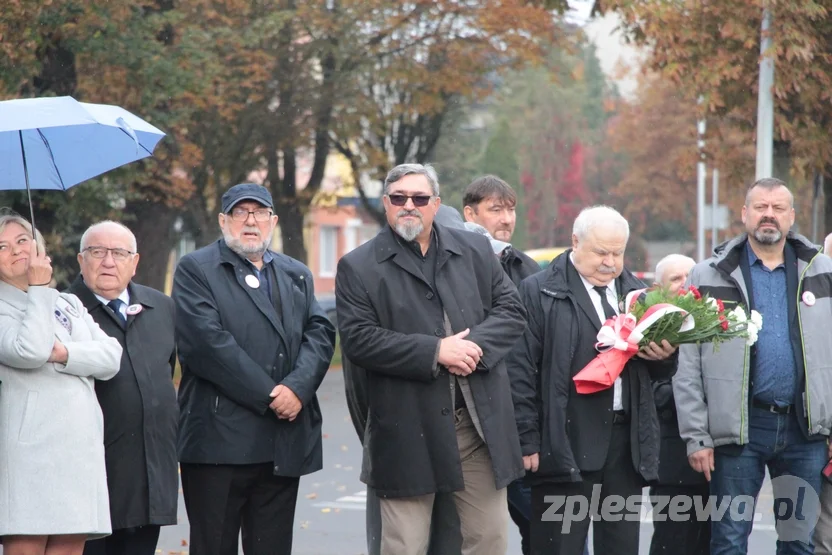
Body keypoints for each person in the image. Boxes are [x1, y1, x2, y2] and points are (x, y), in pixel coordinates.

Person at [335, 163, 527, 555]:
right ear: (386, 204)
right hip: (407, 430)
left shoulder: (474, 250)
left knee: (489, 541)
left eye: (420, 198)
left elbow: (511, 311)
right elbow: (358, 340)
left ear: (436, 204)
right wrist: (436, 351)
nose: (410, 205)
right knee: (404, 547)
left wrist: (471, 349)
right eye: (399, 198)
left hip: (477, 429)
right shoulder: (357, 266)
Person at [172, 183, 336, 555]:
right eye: (240, 213)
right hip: (219, 444)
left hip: (282, 443)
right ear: (223, 220)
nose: (250, 221)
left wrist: (297, 388)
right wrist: (271, 395)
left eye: (259, 212)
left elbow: (320, 332)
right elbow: (207, 345)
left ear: (273, 221)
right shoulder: (196, 269)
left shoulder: (295, 273)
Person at [506, 205, 677, 555]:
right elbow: (520, 371)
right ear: (574, 242)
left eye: (618, 253)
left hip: (624, 443)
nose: (610, 262)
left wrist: (665, 359)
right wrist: (527, 439)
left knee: (621, 546)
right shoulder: (538, 292)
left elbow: (653, 374)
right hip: (565, 439)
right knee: (560, 546)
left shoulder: (639, 295)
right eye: (601, 252)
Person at [675, 177, 832, 555]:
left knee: (798, 542)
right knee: (728, 541)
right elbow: (688, 363)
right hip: (738, 429)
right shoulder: (708, 274)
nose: (769, 215)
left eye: (778, 208)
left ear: (791, 217)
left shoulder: (821, 271)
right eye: (760, 207)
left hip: (804, 430)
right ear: (744, 214)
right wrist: (697, 435)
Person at [343, 200, 465, 555]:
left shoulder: (465, 283)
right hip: (400, 438)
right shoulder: (372, 279)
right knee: (401, 541)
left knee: (453, 540)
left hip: (461, 444)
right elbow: (357, 381)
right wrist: (378, 429)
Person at [0, 213, 122, 555]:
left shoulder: (67, 303)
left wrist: (65, 353)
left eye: (23, 241)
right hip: (29, 451)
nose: (15, 251)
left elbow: (111, 357)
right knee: (27, 543)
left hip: (77, 448)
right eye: (3, 246)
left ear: (39, 246)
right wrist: (38, 289)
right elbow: (30, 350)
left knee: (70, 545)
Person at [68, 221, 179, 555]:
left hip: (149, 474)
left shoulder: (161, 307)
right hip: (90, 478)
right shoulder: (63, 311)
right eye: (97, 252)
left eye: (119, 253)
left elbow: (165, 374)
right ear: (80, 260)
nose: (108, 262)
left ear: (135, 262)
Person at [462, 175, 541, 555]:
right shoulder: (453, 267)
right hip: (470, 429)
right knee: (474, 538)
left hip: (520, 430)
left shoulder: (528, 270)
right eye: (495, 209)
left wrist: (530, 432)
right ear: (469, 213)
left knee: (544, 533)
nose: (506, 218)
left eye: (510, 209)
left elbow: (534, 359)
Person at [648, 254, 709, 555]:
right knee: (672, 542)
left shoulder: (714, 324)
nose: (685, 283)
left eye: (690, 275)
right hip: (674, 462)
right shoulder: (647, 330)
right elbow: (649, 395)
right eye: (676, 278)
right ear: (658, 288)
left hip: (719, 456)